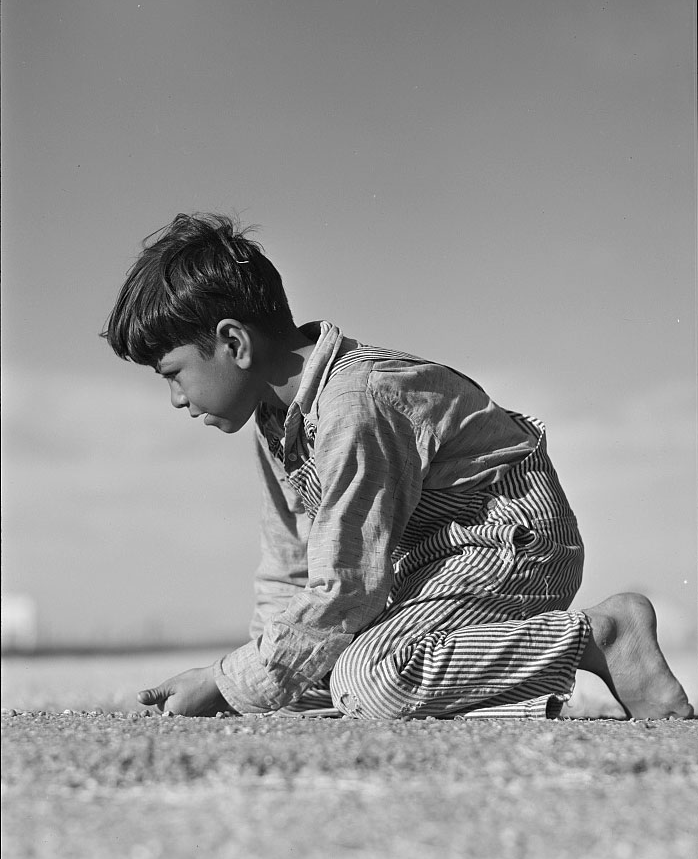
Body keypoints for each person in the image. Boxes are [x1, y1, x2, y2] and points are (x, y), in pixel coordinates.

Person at [101, 212, 693, 721]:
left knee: (369, 677)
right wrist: (251, 681)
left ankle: (603, 637)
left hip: (509, 544)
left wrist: (231, 681)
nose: (176, 399)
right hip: (430, 566)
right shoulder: (274, 420)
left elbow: (348, 586)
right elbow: (290, 562)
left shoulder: (356, 405)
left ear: (234, 343)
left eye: (173, 374)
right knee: (303, 683)